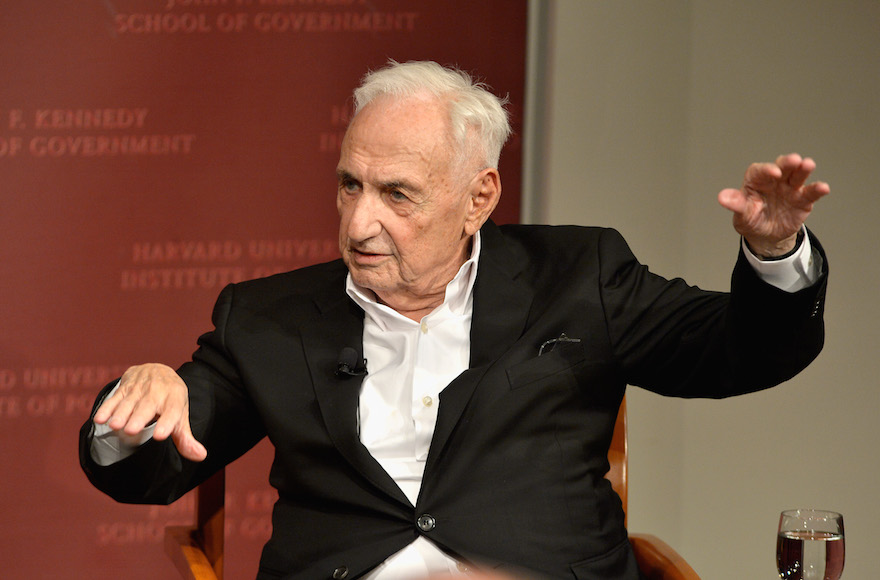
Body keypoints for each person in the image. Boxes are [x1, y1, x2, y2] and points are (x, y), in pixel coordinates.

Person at [80, 60, 829, 580]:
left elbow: (744, 350)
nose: (360, 224)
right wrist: (133, 415)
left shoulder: (579, 278)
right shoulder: (269, 319)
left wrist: (775, 253)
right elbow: (156, 468)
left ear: (479, 198)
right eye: (350, 185)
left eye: (397, 195)